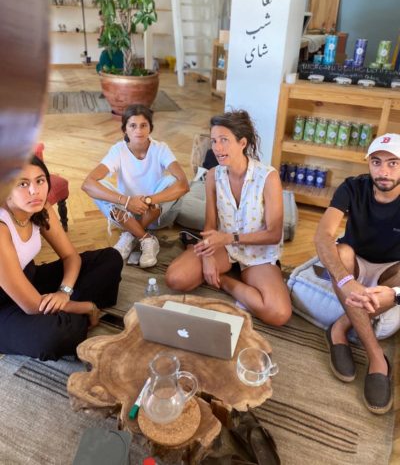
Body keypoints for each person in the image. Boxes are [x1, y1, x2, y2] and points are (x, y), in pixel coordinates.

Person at [165, 110, 292, 326]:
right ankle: (206, 257)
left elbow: (273, 234)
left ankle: (225, 280)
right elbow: (210, 225)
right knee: (175, 279)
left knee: (279, 314)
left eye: (224, 140)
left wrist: (229, 239)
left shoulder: (268, 177)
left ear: (242, 142)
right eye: (214, 141)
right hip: (223, 247)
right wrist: (207, 257)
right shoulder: (213, 175)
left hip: (257, 253)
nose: (217, 148)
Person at [0, 155, 123, 361]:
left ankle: (64, 314)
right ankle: (75, 314)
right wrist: (86, 307)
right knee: (51, 336)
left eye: (40, 181)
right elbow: (31, 305)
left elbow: (70, 256)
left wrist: (63, 293)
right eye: (22, 184)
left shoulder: (40, 206)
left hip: (29, 281)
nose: (34, 191)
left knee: (110, 259)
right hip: (3, 304)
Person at [315, 133, 400, 415]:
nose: (384, 171)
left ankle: (339, 328)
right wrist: (345, 280)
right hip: (357, 262)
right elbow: (323, 235)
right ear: (368, 164)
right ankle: (377, 356)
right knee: (342, 252)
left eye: (393, 163)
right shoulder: (352, 187)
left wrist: (395, 295)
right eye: (377, 162)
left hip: (392, 268)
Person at [82, 104, 189, 267]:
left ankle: (130, 235)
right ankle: (146, 239)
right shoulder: (118, 150)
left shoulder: (161, 149)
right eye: (133, 125)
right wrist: (126, 201)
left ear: (150, 128)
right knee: (97, 185)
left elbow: (184, 185)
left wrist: (148, 200)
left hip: (157, 215)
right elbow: (87, 184)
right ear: (125, 129)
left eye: (143, 125)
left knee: (172, 181)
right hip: (125, 215)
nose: (138, 130)